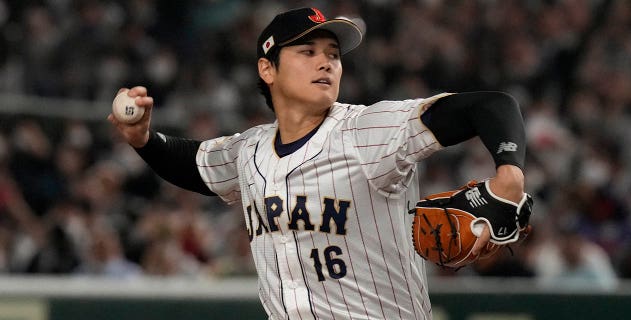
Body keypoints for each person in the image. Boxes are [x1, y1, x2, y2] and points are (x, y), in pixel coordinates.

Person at [108, 7, 529, 320]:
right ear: (266, 69)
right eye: (307, 51)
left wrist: (509, 170)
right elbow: (193, 165)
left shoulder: (367, 129)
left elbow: (491, 105)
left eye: (333, 54)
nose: (326, 61)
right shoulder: (249, 151)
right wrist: (143, 139)